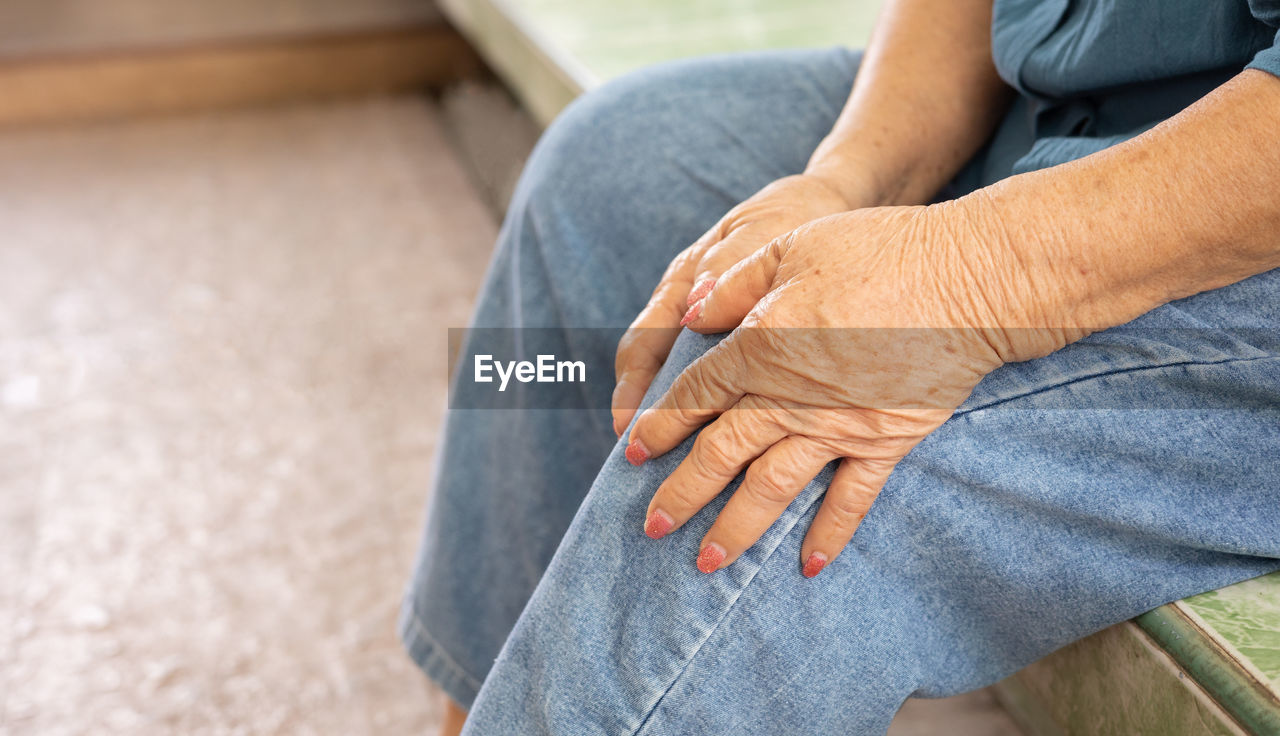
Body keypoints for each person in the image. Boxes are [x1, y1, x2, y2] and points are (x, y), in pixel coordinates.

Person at [400, 0, 1280, 733]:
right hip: (1063, 110)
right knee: (612, 172)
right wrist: (845, 181)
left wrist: (968, 279)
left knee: (770, 423)